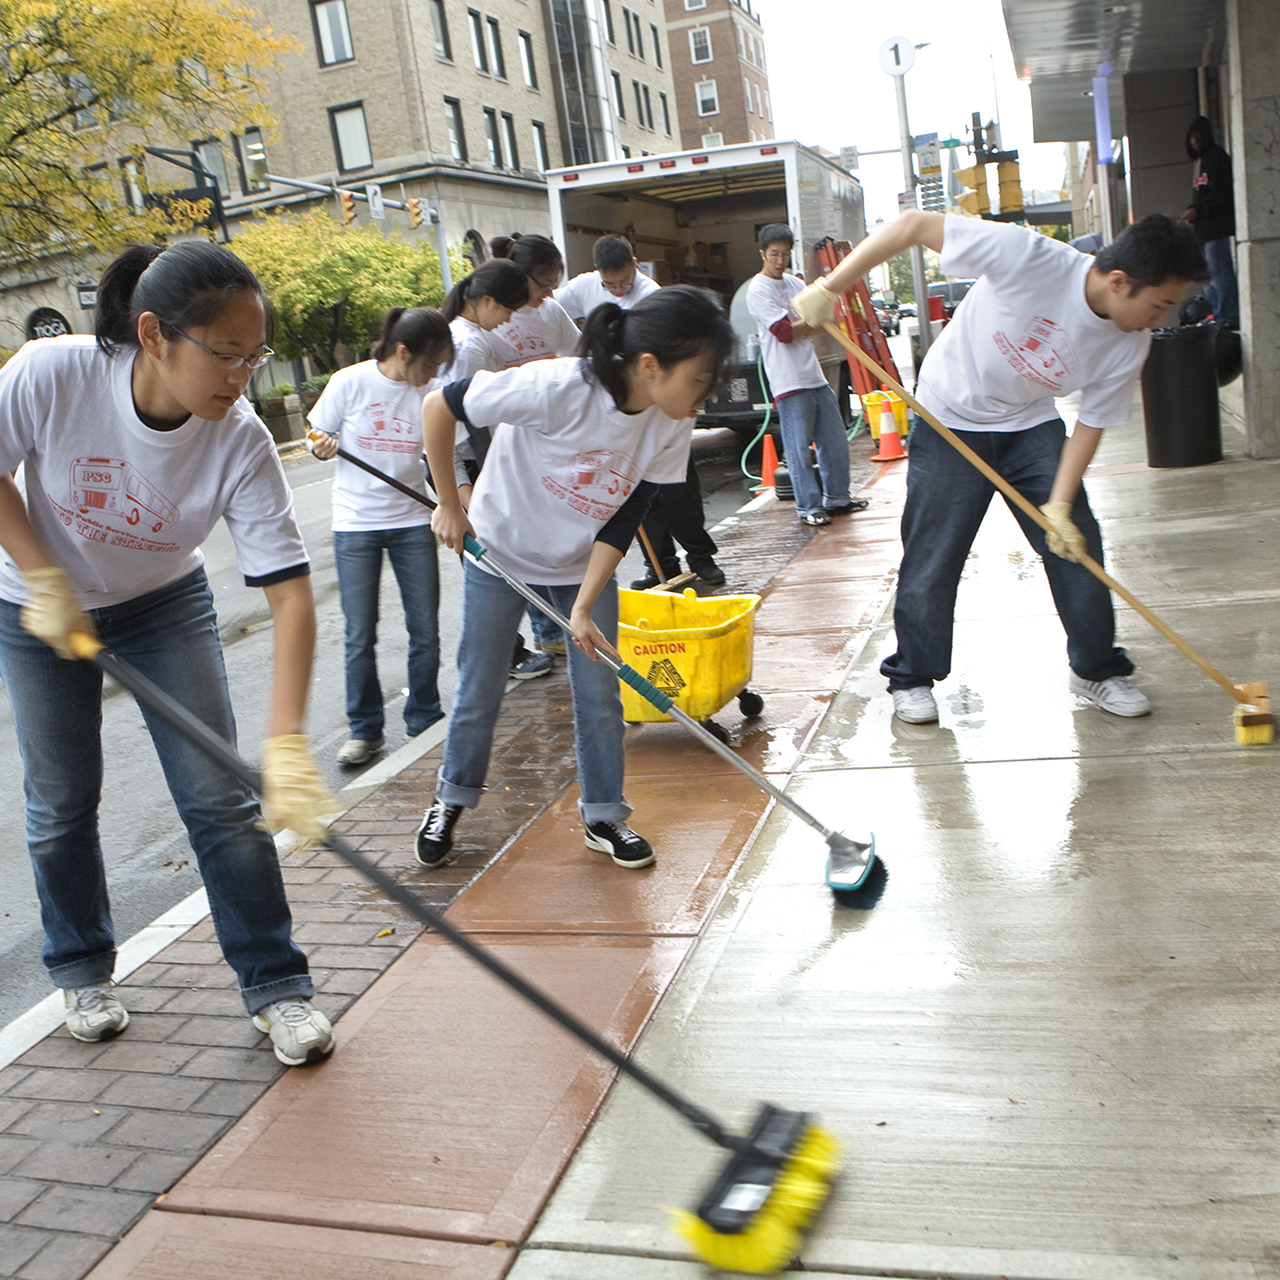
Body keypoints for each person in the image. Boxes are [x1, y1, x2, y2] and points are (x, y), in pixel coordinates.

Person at [0, 241, 339, 1065]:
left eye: (253, 357)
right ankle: (80, 966)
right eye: (225, 355)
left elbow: (290, 594)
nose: (242, 378)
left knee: (221, 801)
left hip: (161, 605)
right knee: (61, 801)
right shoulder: (53, 373)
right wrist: (44, 580)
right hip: (33, 605)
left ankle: (276, 986)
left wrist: (286, 743)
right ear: (154, 335)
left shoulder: (241, 441)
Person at [791, 211, 1209, 724]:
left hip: (1030, 426)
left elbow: (1091, 423)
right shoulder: (1030, 257)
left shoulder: (1130, 341)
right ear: (1120, 282)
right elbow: (914, 226)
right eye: (1161, 303)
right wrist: (831, 287)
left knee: (1076, 543)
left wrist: (1057, 504)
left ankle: (1098, 668)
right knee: (934, 555)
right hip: (949, 416)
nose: (1163, 318)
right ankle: (912, 676)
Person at [414, 286, 733, 871]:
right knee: (480, 687)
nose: (703, 397)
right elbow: (441, 406)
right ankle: (450, 799)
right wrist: (449, 505)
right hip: (500, 553)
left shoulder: (669, 419)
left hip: (579, 565)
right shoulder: (558, 385)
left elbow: (628, 513)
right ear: (649, 365)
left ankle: (604, 816)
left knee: (599, 695)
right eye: (700, 379)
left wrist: (585, 604)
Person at [308, 307, 453, 766]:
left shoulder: (431, 394)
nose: (433, 375)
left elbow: (441, 455)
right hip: (355, 523)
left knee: (424, 629)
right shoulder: (349, 382)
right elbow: (316, 434)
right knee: (358, 633)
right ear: (403, 352)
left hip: (412, 519)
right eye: (430, 365)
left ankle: (424, 717)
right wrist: (321, 445)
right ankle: (365, 730)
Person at [433, 260, 550, 680]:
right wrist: (463, 494)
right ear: (485, 301)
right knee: (488, 560)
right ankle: (504, 655)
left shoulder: (470, 337)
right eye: (506, 312)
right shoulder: (469, 346)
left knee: (498, 554)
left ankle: (530, 639)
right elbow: (460, 423)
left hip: (466, 460)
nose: (507, 323)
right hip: (465, 461)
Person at [488, 233, 582, 656]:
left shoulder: (551, 311)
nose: (549, 293)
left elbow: (580, 355)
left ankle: (553, 628)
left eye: (554, 284)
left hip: (550, 441)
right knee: (518, 538)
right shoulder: (495, 316)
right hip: (504, 446)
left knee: (548, 532)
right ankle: (541, 631)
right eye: (543, 284)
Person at [746, 224, 858, 528]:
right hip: (788, 380)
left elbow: (823, 319)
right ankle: (808, 506)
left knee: (834, 441)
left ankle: (837, 498)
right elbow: (783, 333)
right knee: (798, 449)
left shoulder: (795, 285)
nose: (780, 260)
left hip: (814, 375)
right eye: (773, 255)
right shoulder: (758, 289)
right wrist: (807, 324)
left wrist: (807, 324)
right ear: (762, 254)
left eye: (784, 254)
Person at [1183, 115, 1238, 329]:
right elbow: (1203, 194)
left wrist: (1199, 209)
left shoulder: (1217, 158)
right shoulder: (1200, 163)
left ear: (1205, 136)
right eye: (1191, 139)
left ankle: (1229, 315)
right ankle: (1217, 313)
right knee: (1208, 278)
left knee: (1219, 273)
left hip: (1217, 228)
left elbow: (1221, 193)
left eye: (1197, 137)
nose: (1195, 142)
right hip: (1203, 231)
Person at [555, 234, 660, 324]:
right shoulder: (584, 285)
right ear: (598, 269)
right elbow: (549, 305)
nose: (618, 290)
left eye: (624, 282)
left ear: (634, 264)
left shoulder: (651, 295)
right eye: (609, 285)